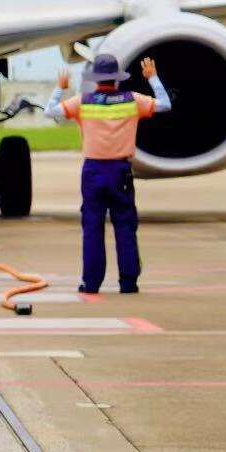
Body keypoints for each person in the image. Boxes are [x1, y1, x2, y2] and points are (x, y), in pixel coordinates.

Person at [45, 52, 171, 294]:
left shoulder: (83, 101)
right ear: (117, 79)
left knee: (92, 227)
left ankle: (91, 283)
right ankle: (128, 282)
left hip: (93, 171)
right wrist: (153, 78)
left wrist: (60, 88)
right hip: (120, 170)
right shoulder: (131, 100)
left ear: (95, 79)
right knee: (125, 226)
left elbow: (50, 112)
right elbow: (165, 104)